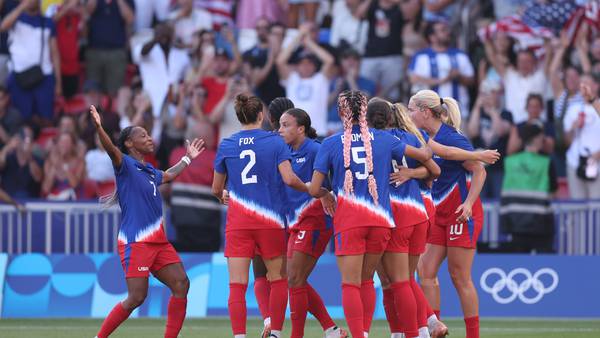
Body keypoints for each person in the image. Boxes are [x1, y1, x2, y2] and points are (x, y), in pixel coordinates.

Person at [308, 90, 433, 338]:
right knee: (377, 281)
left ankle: (360, 334)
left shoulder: (331, 142)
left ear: (342, 113)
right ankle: (414, 333)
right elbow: (426, 156)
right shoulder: (385, 139)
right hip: (381, 221)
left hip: (350, 221)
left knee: (352, 284)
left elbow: (313, 189)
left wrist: (327, 194)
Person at [89, 105, 205, 338]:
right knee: (136, 297)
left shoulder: (149, 170)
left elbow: (170, 174)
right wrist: (100, 128)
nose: (149, 138)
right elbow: (111, 148)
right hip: (136, 242)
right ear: (130, 144)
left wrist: (187, 158)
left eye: (149, 134)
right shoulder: (124, 165)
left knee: (182, 284)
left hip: (159, 243)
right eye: (143, 135)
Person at [211, 93, 311, 338]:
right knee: (277, 279)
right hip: (270, 221)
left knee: (237, 285)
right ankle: (275, 333)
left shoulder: (227, 144)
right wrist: (312, 189)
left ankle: (239, 335)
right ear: (261, 115)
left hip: (238, 223)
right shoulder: (275, 142)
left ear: (238, 116)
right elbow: (289, 178)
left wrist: (223, 195)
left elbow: (216, 189)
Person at [408, 89, 487, 338]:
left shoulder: (453, 138)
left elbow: (479, 171)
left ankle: (472, 335)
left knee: (459, 276)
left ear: (425, 111)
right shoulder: (423, 137)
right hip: (439, 213)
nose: (408, 114)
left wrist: (468, 204)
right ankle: (435, 327)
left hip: (461, 213)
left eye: (411, 109)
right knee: (426, 271)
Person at [366, 99, 440, 338]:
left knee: (394, 282)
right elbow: (435, 171)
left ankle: (411, 332)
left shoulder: (371, 142)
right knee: (404, 280)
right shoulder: (409, 137)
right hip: (418, 213)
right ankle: (419, 329)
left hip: (393, 215)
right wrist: (413, 172)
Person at [278, 108, 348, 338]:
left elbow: (337, 179)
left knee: (295, 278)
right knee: (295, 279)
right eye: (280, 125)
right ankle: (331, 330)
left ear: (301, 129)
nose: (280, 130)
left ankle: (297, 335)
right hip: (294, 221)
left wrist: (327, 193)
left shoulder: (316, 149)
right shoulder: (283, 151)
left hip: (315, 220)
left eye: (286, 125)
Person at [1, 0, 61, 126]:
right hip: (19, 75)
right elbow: (3, 27)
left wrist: (58, 82)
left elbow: (55, 53)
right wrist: (22, 7)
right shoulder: (17, 19)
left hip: (44, 75)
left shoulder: (48, 22)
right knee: (22, 119)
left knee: (45, 118)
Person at [500, 123, 557, 253]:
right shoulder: (546, 162)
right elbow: (554, 191)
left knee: (518, 264)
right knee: (544, 265)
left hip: (515, 223)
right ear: (536, 138)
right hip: (540, 224)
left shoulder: (510, 161)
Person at [277, 22, 335, 137]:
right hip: (294, 134)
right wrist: (299, 35)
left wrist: (309, 43)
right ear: (297, 66)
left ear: (314, 66)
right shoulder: (292, 79)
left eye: (309, 63)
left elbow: (329, 60)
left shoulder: (320, 79)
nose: (306, 66)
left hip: (318, 132)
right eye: (302, 64)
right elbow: (280, 61)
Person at [409, 20, 475, 117]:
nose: (448, 32)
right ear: (432, 37)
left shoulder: (460, 55)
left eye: (447, 29)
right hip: (429, 115)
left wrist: (458, 77)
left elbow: (472, 81)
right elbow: (414, 79)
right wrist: (444, 80)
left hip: (458, 114)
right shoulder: (421, 56)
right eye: (443, 30)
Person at [85, 0, 134, 96]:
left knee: (115, 93)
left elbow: (130, 18)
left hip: (116, 53)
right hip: (94, 51)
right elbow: (87, 12)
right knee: (92, 92)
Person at [563, 74, 600, 199]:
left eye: (587, 84)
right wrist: (573, 128)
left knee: (596, 206)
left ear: (596, 85)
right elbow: (566, 141)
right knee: (577, 205)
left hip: (597, 162)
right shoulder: (573, 109)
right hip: (575, 162)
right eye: (581, 85)